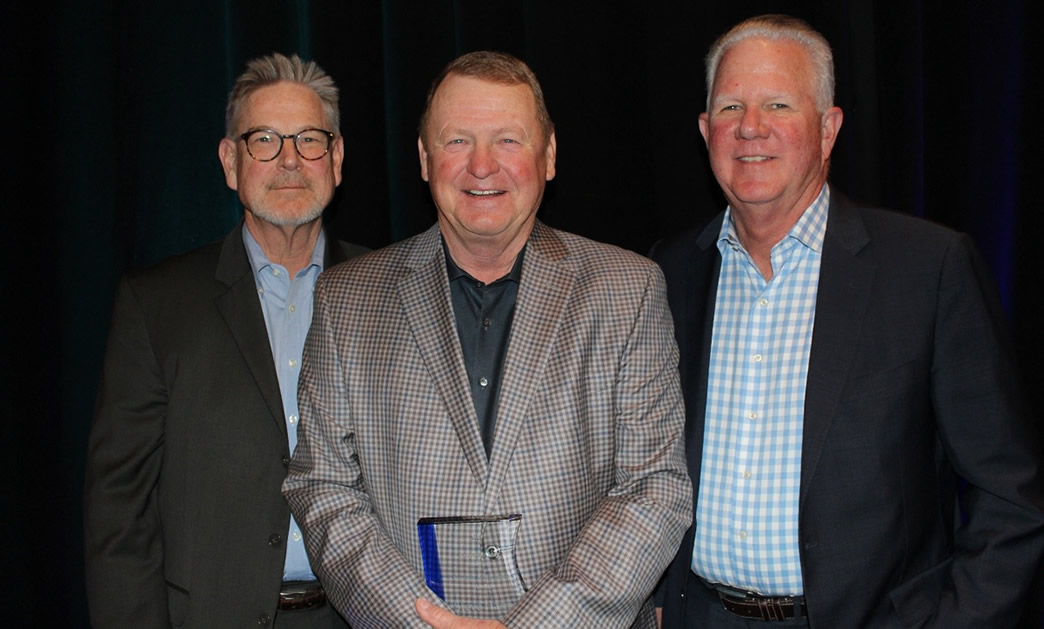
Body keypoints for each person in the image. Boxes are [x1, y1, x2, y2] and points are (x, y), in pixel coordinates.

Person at [652, 14, 1044, 628]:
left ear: (828, 127)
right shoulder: (667, 275)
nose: (750, 128)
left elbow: (1011, 497)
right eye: (730, 107)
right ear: (705, 131)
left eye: (778, 103)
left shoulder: (928, 269)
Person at [282, 51, 691, 628]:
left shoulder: (627, 290)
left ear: (548, 156)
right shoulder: (348, 300)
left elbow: (654, 487)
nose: (481, 166)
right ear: (424, 159)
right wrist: (417, 620)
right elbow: (322, 484)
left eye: (507, 140)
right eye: (456, 141)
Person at [84, 53, 367, 628]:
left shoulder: (387, 295)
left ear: (336, 159)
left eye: (310, 140)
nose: (289, 159)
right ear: (230, 161)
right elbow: (119, 511)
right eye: (264, 139)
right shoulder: (156, 306)